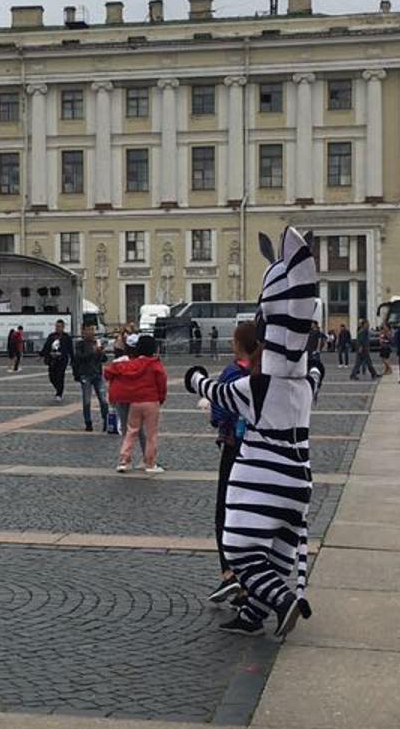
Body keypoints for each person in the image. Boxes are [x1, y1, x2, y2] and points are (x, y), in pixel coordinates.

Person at [185, 227, 323, 640]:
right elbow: (314, 370)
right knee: (279, 550)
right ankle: (252, 617)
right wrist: (309, 361)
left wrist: (193, 378)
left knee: (242, 550)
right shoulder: (302, 385)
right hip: (300, 479)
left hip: (263, 475)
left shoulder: (257, 387)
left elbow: (218, 393)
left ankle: (283, 601)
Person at [204, 321, 260, 604]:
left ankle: (230, 574)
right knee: (253, 514)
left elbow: (218, 410)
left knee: (225, 513)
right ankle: (252, 580)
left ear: (239, 344)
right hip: (261, 454)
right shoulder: (267, 371)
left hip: (234, 450)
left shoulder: (232, 372)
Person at [104, 335, 167, 472]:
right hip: (151, 401)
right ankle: (149, 463)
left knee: (131, 431)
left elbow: (110, 371)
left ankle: (124, 461)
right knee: (151, 434)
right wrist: (161, 398)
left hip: (135, 402)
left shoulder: (130, 363)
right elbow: (161, 382)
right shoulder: (155, 364)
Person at [72, 329, 106, 432]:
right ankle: (88, 422)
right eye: (89, 331)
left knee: (103, 400)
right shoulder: (80, 344)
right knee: (86, 401)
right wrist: (93, 352)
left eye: (92, 331)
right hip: (85, 375)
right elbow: (80, 357)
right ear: (84, 333)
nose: (91, 333)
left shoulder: (96, 343)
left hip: (97, 375)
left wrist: (101, 352)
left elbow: (104, 359)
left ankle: (106, 421)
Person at [41, 319, 73, 400]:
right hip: (52, 360)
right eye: (56, 326)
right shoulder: (52, 336)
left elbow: (71, 349)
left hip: (62, 360)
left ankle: (59, 393)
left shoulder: (67, 337)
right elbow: (47, 346)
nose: (57, 328)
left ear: (63, 327)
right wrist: (41, 354)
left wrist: (73, 359)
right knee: (52, 377)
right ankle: (58, 388)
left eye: (59, 327)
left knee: (60, 376)